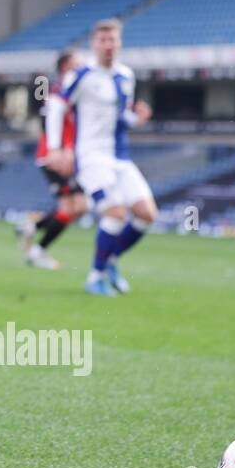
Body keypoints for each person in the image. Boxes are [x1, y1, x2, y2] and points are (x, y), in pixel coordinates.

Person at [44, 18, 154, 297]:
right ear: (94, 44)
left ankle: (111, 259)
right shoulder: (81, 75)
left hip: (120, 156)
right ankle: (96, 277)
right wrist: (55, 148)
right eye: (102, 40)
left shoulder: (126, 76)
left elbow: (120, 115)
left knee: (146, 214)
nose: (108, 45)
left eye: (113, 40)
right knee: (115, 213)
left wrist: (137, 119)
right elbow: (56, 107)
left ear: (119, 43)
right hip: (91, 157)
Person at [17, 51, 87, 269]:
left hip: (62, 156)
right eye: (77, 64)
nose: (82, 67)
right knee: (74, 206)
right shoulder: (59, 93)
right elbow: (49, 122)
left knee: (78, 207)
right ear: (66, 67)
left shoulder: (72, 92)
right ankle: (37, 251)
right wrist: (62, 150)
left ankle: (33, 228)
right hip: (55, 158)